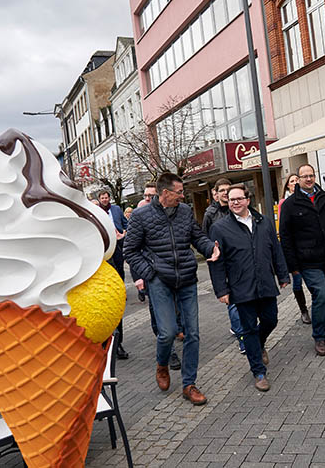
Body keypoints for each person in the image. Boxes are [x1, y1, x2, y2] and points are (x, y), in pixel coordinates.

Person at [124, 172, 220, 405]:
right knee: (166, 332)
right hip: (160, 281)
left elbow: (197, 236)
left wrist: (210, 248)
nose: (182, 196)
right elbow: (130, 251)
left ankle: (189, 384)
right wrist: (150, 274)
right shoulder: (141, 216)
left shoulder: (185, 211)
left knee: (192, 333)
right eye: (179, 192)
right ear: (165, 193)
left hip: (186, 278)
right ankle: (162, 364)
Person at [208, 184, 290, 391]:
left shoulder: (264, 222)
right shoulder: (220, 227)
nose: (235, 202)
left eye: (239, 198)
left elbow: (276, 250)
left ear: (247, 200)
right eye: (231, 199)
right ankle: (258, 371)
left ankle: (259, 344)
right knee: (249, 329)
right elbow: (216, 263)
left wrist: (282, 274)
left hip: (265, 283)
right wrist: (221, 290)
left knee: (271, 319)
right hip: (240, 287)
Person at [280, 164, 325, 356]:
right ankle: (319, 337)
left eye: (311, 175)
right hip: (307, 260)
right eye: (304, 176)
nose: (308, 179)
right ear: (299, 179)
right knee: (320, 294)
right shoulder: (290, 205)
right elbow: (285, 237)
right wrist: (292, 265)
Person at [130, 183, 182, 370]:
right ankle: (170, 353)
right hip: (151, 275)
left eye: (151, 195)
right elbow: (132, 251)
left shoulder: (169, 214)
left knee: (174, 310)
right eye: (145, 195)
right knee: (159, 317)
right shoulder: (139, 213)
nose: (148, 198)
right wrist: (141, 276)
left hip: (171, 274)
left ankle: (175, 331)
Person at [202, 178, 246, 353]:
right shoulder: (210, 214)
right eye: (222, 190)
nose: (226, 194)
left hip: (240, 261)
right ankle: (242, 336)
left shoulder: (237, 209)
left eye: (229, 190)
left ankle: (242, 329)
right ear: (216, 193)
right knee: (232, 302)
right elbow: (204, 238)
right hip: (222, 262)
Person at [97, 189, 129, 360]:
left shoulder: (111, 248)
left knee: (114, 310)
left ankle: (117, 345)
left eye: (105, 196)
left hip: (111, 265)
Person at [278, 174, 311, 324]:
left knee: (314, 282)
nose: (295, 183)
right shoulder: (284, 203)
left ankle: (324, 309)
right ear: (287, 186)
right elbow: (284, 229)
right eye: (292, 181)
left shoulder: (308, 198)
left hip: (309, 249)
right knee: (297, 281)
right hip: (295, 250)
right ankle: (303, 310)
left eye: (297, 180)